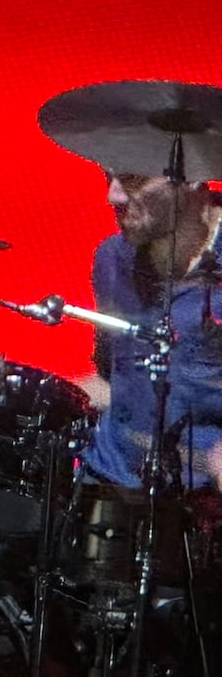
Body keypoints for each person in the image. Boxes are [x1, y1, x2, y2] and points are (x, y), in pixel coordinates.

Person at [79, 170, 222, 490]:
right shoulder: (112, 259)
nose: (113, 196)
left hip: (197, 505)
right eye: (108, 176)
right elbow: (114, 380)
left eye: (133, 179)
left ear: (193, 176)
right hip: (105, 480)